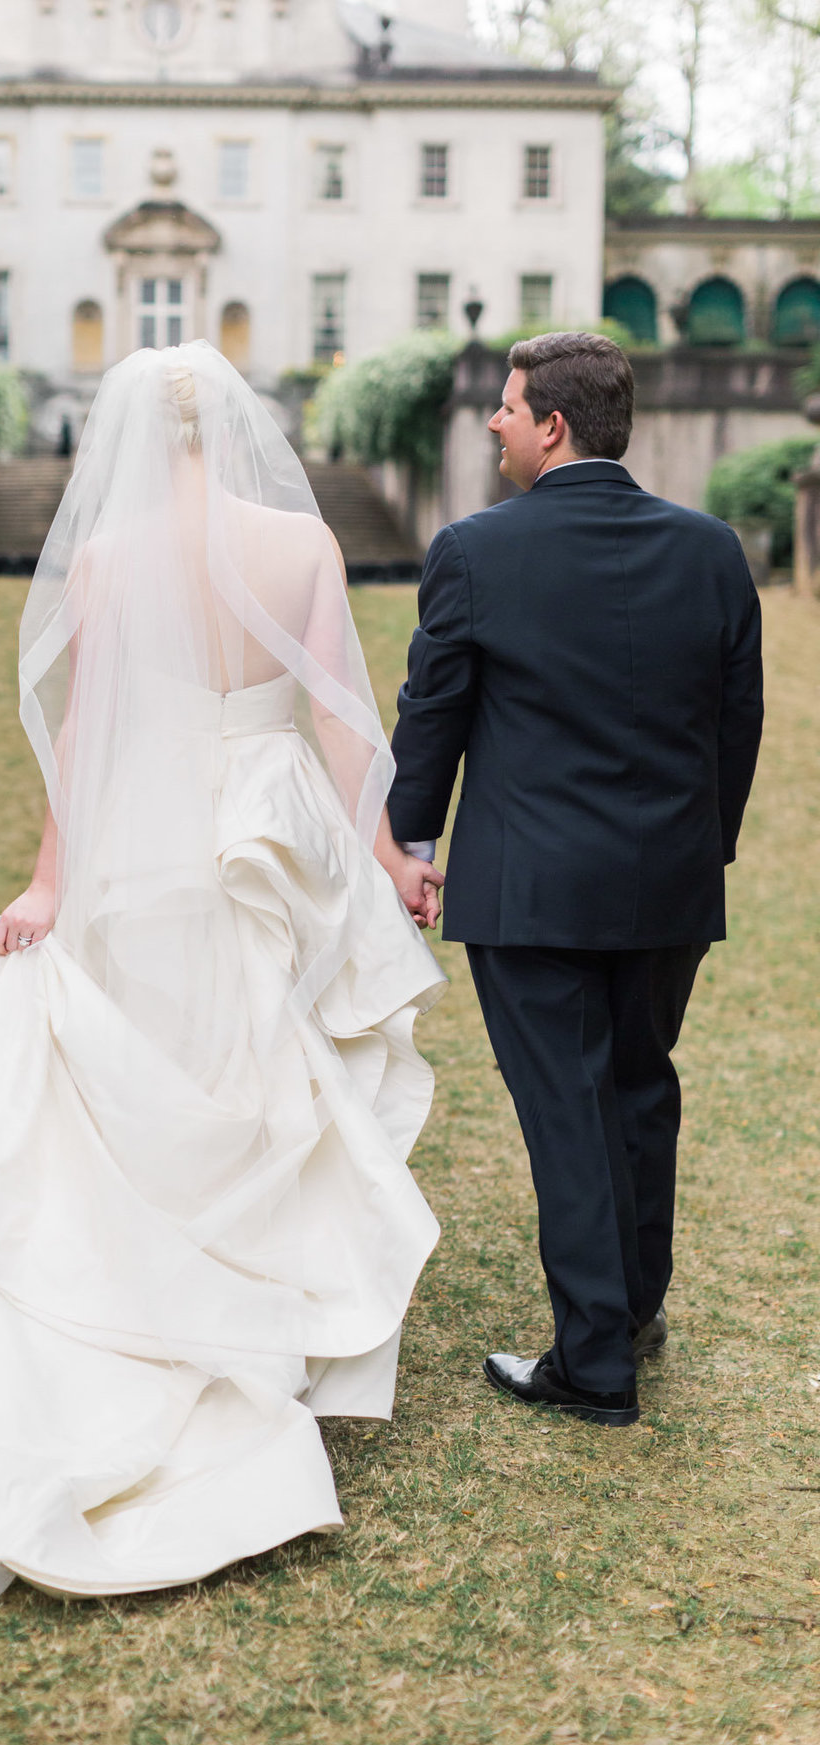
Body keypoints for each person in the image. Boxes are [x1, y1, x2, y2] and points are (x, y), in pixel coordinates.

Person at [0, 342, 448, 1597]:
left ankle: (141, 1295)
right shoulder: (303, 546)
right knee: (265, 1060)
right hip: (271, 828)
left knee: (143, 1060)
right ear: (230, 430)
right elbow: (342, 715)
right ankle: (258, 1319)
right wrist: (386, 857)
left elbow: (84, 733)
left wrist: (52, 882)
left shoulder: (111, 561)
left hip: (151, 830)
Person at [388, 331, 763, 1429]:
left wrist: (411, 844)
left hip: (534, 887)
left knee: (570, 1110)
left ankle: (596, 1364)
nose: (494, 423)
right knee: (640, 1086)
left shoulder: (473, 551)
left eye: (507, 408)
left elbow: (434, 719)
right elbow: (736, 721)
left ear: (552, 424)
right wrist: (710, 844)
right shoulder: (711, 549)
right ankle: (632, 1307)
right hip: (670, 880)